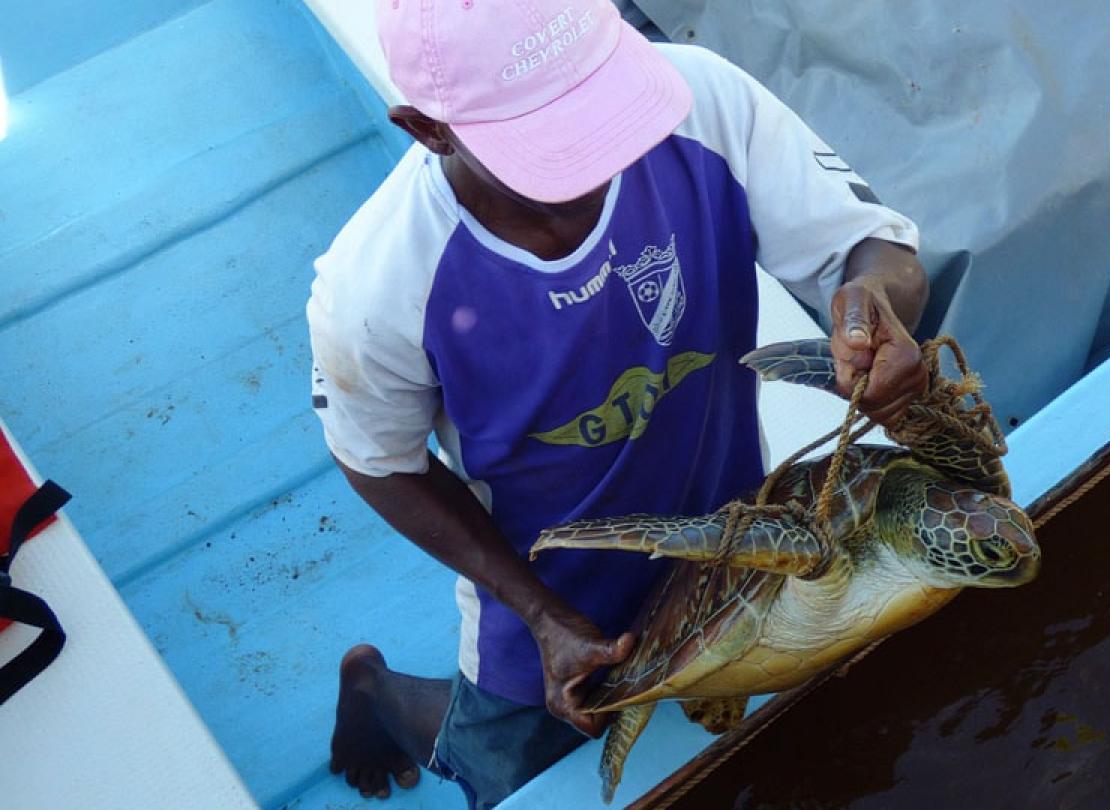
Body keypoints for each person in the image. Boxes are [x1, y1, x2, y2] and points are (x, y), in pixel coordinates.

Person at [308, 0, 930, 805]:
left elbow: (871, 247)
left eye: (605, 115)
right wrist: (539, 614)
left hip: (736, 537)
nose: (601, 165)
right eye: (551, 147)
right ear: (429, 130)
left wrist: (874, 302)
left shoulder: (702, 100)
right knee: (514, 770)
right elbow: (378, 463)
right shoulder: (375, 288)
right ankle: (379, 695)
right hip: (552, 600)